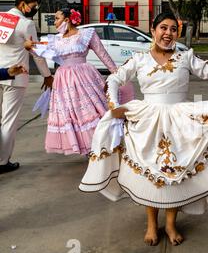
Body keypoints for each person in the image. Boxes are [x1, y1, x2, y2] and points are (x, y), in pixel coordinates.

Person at [79, 12, 208, 246]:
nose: (168, 33)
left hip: (180, 120)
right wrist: (115, 106)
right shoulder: (139, 59)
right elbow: (114, 79)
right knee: (150, 174)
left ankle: (170, 224)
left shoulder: (186, 57)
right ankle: (151, 224)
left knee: (175, 174)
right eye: (163, 28)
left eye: (173, 29)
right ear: (153, 31)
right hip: (147, 121)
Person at [25, 8, 134, 155]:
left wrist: (117, 74)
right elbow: (39, 49)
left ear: (67, 20)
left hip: (85, 77)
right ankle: (85, 146)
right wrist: (29, 47)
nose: (55, 22)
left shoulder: (86, 34)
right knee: (71, 114)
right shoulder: (56, 39)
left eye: (57, 18)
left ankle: (101, 143)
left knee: (93, 110)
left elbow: (103, 54)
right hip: (64, 81)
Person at [0, 0, 53, 174]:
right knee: (8, 121)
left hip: (0, 72)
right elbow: (36, 53)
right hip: (16, 76)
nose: (35, 9)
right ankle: (2, 161)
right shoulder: (26, 24)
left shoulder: (1, 18)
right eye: (33, 6)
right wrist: (47, 75)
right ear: (23, 4)